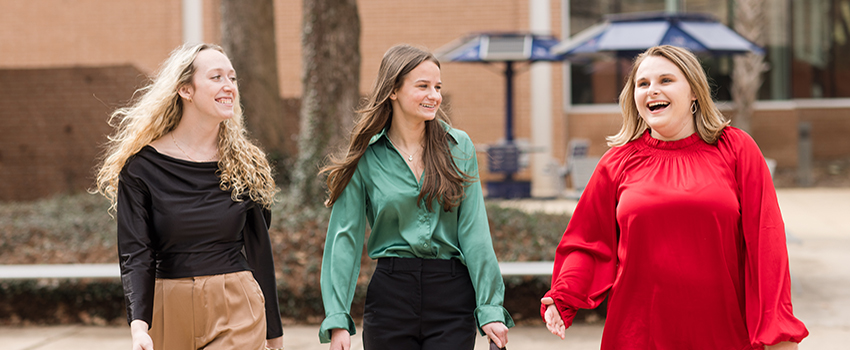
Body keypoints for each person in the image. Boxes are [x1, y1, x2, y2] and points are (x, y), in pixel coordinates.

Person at [540, 45, 809, 349]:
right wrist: (562, 295)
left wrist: (778, 330)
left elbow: (766, 244)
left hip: (723, 333)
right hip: (638, 334)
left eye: (666, 80)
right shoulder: (617, 163)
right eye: (643, 84)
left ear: (694, 91)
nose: (652, 90)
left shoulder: (736, 150)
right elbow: (589, 243)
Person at [317, 44, 513, 350]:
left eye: (437, 87)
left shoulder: (458, 146)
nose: (434, 95)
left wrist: (489, 308)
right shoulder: (367, 156)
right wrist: (338, 318)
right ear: (393, 90)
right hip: (390, 297)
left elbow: (474, 232)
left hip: (451, 295)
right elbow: (345, 239)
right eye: (422, 86)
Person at [94, 43, 284, 350]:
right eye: (216, 77)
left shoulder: (246, 164)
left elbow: (259, 250)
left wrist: (274, 336)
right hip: (168, 309)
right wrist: (139, 327)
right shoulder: (142, 168)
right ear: (186, 90)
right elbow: (136, 253)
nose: (229, 87)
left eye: (232, 78)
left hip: (236, 305)